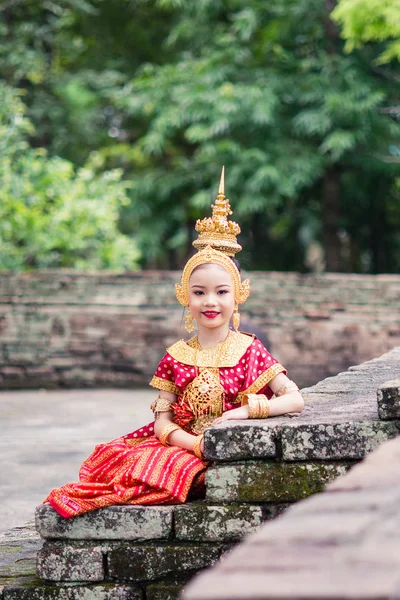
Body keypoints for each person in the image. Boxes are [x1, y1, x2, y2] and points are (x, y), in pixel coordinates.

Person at [46, 168, 304, 518]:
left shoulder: (249, 350)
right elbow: (162, 423)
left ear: (238, 296)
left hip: (228, 445)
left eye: (221, 292)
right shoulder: (176, 356)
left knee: (166, 476)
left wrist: (243, 412)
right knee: (129, 465)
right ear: (186, 296)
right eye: (199, 293)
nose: (210, 302)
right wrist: (194, 443)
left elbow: (294, 399)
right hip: (184, 446)